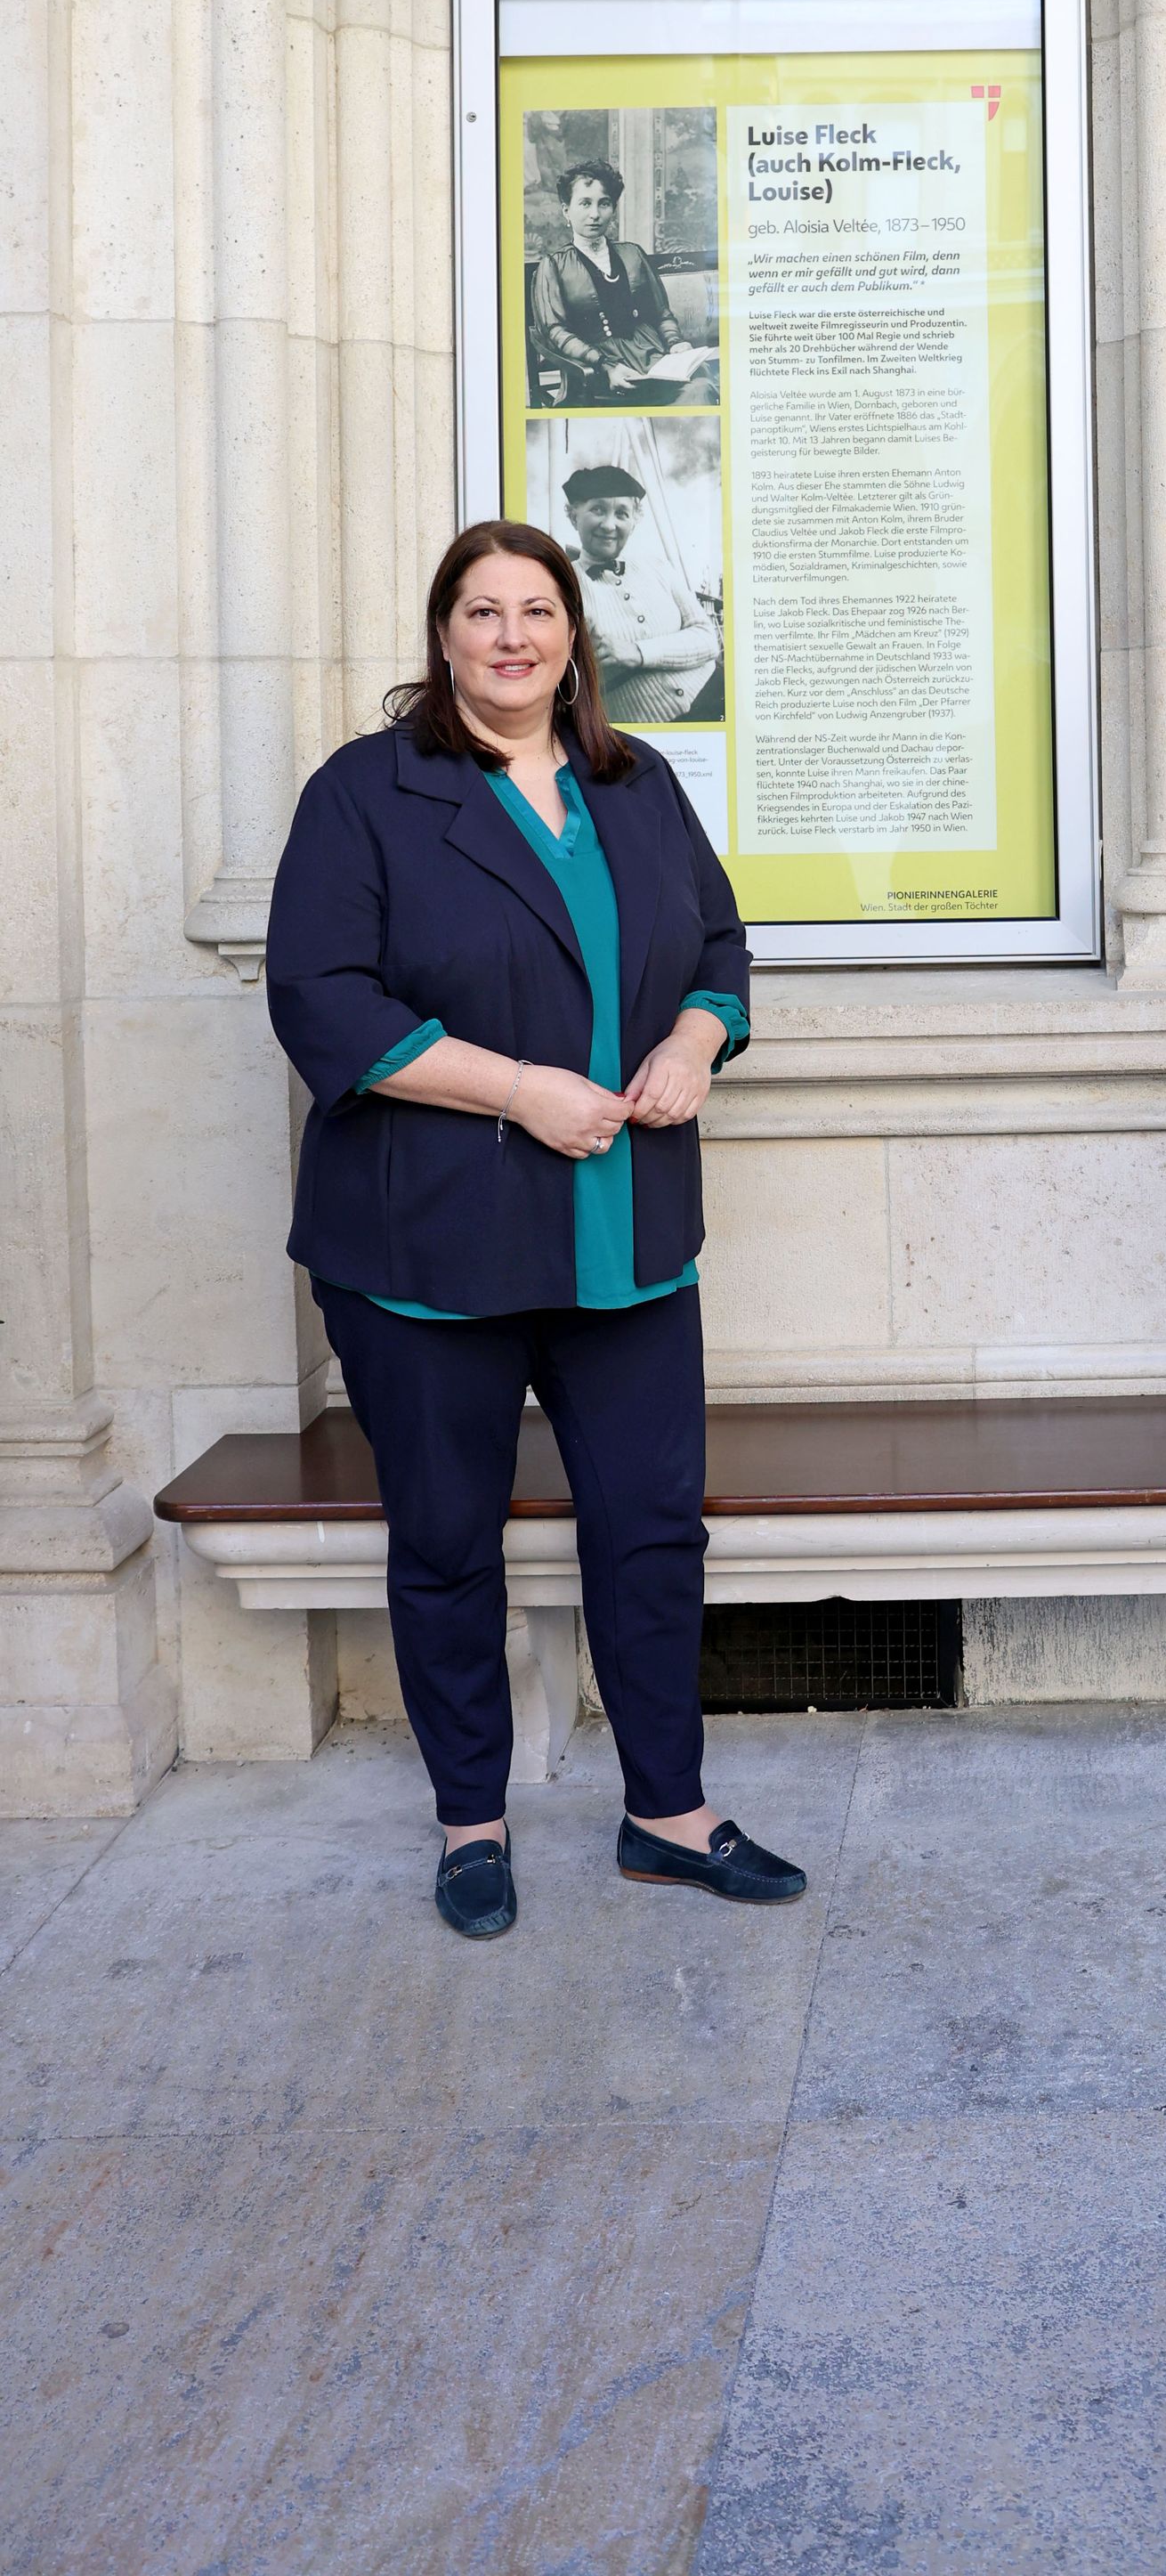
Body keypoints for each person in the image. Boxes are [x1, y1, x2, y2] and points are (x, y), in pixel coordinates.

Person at [264, 517, 805, 1938]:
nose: (512, 635)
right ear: (441, 637)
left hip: (623, 1238)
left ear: (576, 638)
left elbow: (723, 949)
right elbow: (322, 1003)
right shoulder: (365, 795)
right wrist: (516, 1092)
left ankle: (666, 1817)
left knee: (650, 1532)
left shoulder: (637, 783)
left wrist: (697, 1038)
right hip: (425, 1250)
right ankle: (471, 1825)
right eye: (481, 611)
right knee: (446, 1539)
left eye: (538, 611)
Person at [530, 160, 716, 405]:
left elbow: (661, 313)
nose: (595, 214)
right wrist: (605, 366)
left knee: (702, 386)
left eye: (604, 203)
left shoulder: (633, 254)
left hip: (652, 356)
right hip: (594, 369)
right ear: (566, 210)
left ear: (613, 209)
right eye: (585, 203)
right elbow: (555, 331)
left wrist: (675, 342)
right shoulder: (553, 266)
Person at [562, 460, 724, 723]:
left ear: (634, 521)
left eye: (622, 514)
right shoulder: (563, 586)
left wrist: (636, 653)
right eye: (598, 509)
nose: (609, 525)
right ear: (574, 515)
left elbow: (707, 640)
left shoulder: (657, 566)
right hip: (649, 734)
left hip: (717, 695)